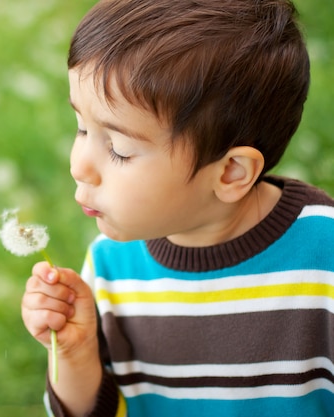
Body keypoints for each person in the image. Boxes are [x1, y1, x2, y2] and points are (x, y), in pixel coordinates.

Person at [20, 0, 334, 416]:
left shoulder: (323, 257)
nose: (78, 165)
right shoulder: (111, 266)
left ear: (230, 173)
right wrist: (76, 355)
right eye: (81, 127)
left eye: (119, 149)